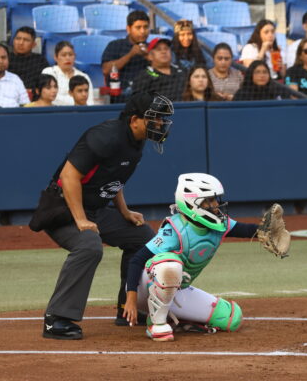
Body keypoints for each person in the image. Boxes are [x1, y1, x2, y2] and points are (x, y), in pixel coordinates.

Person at [30, 92, 174, 340]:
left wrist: (124, 212)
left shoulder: (136, 142)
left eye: (162, 119)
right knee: (89, 246)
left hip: (96, 209)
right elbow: (68, 176)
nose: (160, 123)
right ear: (134, 120)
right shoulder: (106, 136)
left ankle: (128, 309)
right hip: (62, 208)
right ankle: (57, 319)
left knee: (143, 238)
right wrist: (80, 220)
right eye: (155, 118)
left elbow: (114, 181)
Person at [122, 174, 289, 341]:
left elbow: (245, 229)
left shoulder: (219, 224)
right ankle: (157, 324)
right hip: (145, 289)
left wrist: (267, 231)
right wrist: (131, 299)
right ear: (191, 204)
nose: (215, 204)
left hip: (178, 290)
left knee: (231, 318)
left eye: (215, 199)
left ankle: (173, 318)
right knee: (170, 265)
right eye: (208, 200)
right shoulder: (174, 230)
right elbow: (137, 260)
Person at [101, 11, 152, 102]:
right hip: (119, 98)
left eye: (146, 27)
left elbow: (161, 73)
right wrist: (130, 54)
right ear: (128, 29)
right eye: (138, 27)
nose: (142, 31)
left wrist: (148, 56)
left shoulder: (153, 48)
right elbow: (106, 70)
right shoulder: (115, 45)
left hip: (146, 97)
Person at [131, 37, 187, 102]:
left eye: (166, 49)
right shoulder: (145, 75)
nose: (163, 52)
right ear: (150, 56)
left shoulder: (182, 71)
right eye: (158, 49)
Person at [42, 41, 95, 105]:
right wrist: (78, 102)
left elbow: (90, 102)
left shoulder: (83, 76)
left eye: (70, 55)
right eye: (63, 55)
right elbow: (50, 98)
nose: (68, 58)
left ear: (75, 56)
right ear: (55, 57)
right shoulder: (48, 72)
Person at [0, 43, 30, 107]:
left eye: (4, 57)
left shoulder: (15, 79)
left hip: (13, 113)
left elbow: (25, 105)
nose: (1, 61)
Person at [7, 26, 48, 94]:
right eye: (18, 39)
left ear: (34, 44)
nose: (21, 43)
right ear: (13, 41)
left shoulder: (40, 61)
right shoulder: (5, 59)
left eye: (26, 40)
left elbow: (44, 84)